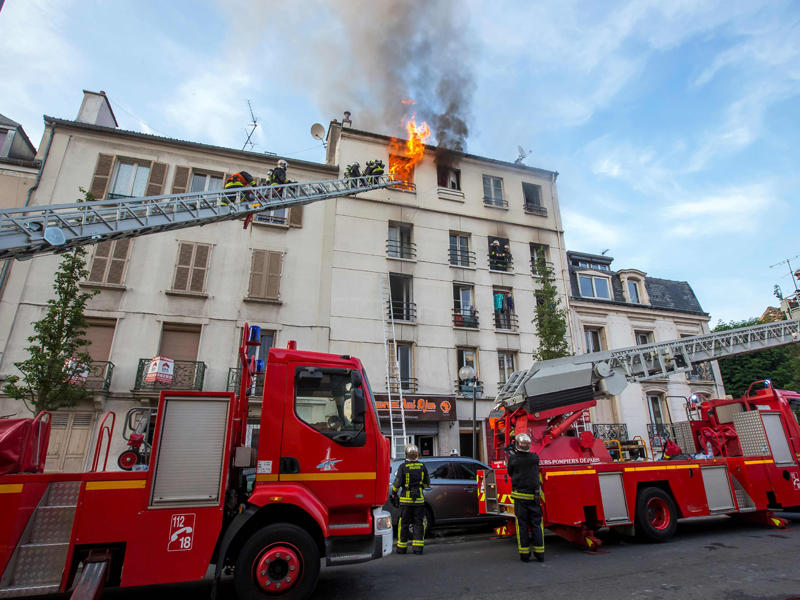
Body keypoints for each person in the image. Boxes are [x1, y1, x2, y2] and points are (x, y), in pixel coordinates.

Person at [507, 432, 544, 563]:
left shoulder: (513, 459)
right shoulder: (535, 457)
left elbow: (510, 472)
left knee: (522, 526)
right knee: (536, 525)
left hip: (520, 498)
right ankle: (540, 554)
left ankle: (525, 555)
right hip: (534, 498)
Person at [390, 444, 430, 555]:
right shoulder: (422, 466)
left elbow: (397, 483)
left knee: (404, 524)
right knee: (419, 523)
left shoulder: (403, 467)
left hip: (406, 501)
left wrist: (393, 493)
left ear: (406, 454)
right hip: (419, 501)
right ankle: (418, 548)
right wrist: (420, 487)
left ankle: (402, 548)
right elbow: (427, 483)